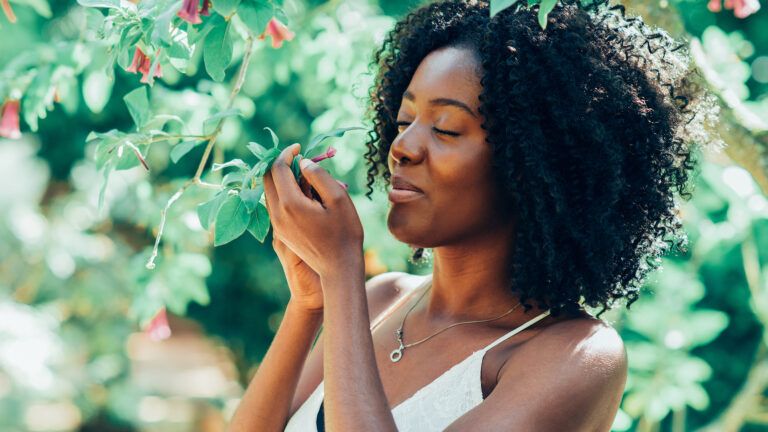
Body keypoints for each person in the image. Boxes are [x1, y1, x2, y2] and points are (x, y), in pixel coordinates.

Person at [228, 0, 719, 430]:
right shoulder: (379, 302)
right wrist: (309, 304)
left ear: (533, 164)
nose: (401, 146)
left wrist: (340, 272)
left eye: (445, 129)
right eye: (403, 121)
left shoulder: (575, 356)